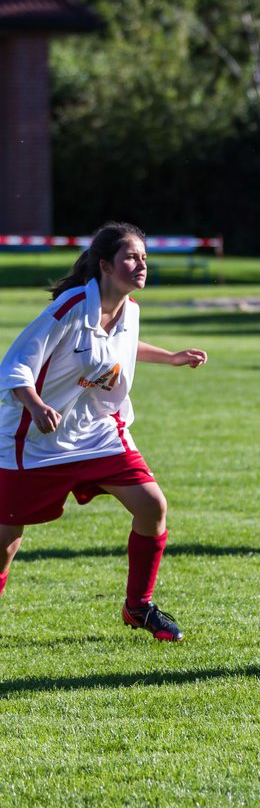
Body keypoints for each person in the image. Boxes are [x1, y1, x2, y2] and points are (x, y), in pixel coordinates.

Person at [0, 222, 208, 641]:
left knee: (152, 506)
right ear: (105, 266)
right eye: (131, 257)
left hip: (97, 432)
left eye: (144, 258)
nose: (141, 265)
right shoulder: (71, 306)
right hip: (37, 440)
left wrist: (170, 358)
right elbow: (16, 364)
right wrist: (36, 405)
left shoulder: (130, 309)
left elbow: (122, 348)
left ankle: (138, 607)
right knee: (6, 538)